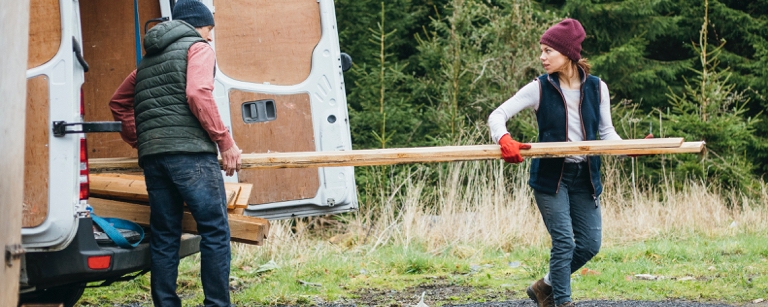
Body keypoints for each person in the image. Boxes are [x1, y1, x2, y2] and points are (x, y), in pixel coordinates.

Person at [109, 1, 241, 306]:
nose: (210, 36)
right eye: (210, 29)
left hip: (154, 158)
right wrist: (225, 141)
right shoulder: (198, 47)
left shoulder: (148, 60)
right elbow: (197, 92)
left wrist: (141, 140)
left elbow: (118, 102)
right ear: (200, 25)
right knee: (215, 230)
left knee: (165, 235)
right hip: (190, 155)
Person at [488, 18, 625, 307]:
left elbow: (608, 133)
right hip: (551, 179)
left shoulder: (598, 88)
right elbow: (497, 115)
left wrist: (633, 150)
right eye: (542, 50)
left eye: (548, 50)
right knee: (564, 243)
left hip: (584, 177)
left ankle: (544, 286)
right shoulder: (539, 88)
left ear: (568, 54)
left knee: (589, 245)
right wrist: (504, 139)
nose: (542, 57)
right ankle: (562, 303)